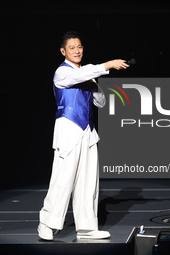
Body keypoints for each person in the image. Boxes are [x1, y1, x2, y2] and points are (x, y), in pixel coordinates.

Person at [38, 31, 129, 241]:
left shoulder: (86, 74)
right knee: (62, 180)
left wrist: (94, 86)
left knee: (88, 183)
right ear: (63, 51)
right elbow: (78, 75)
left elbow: (101, 103)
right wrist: (106, 65)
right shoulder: (62, 73)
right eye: (72, 47)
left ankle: (87, 227)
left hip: (88, 133)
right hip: (69, 131)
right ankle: (46, 223)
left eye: (79, 47)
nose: (76, 50)